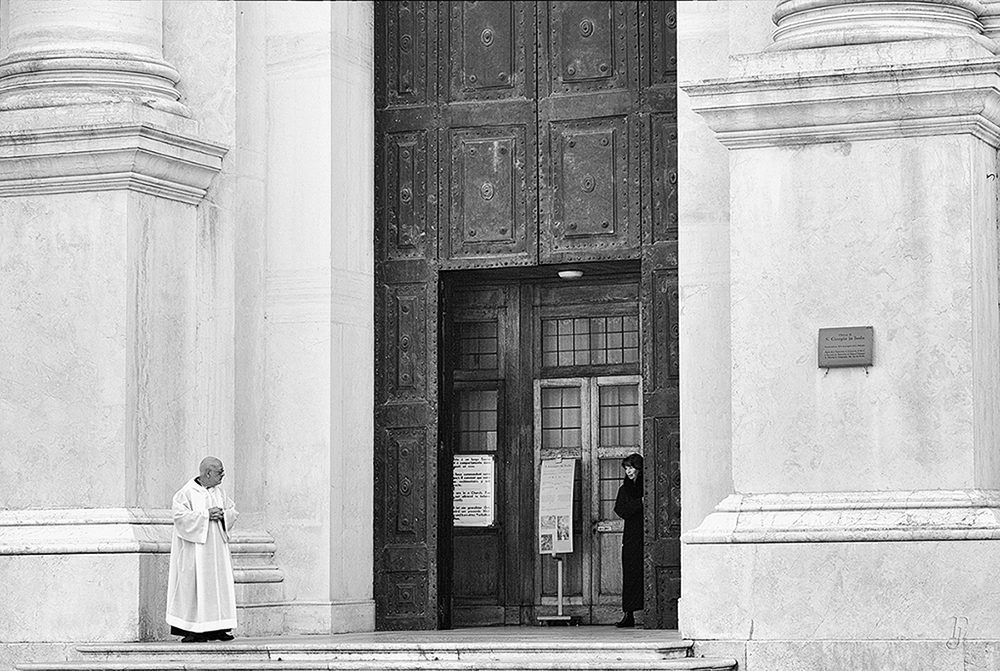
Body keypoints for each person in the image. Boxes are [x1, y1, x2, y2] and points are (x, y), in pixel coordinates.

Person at [166, 456, 239, 642]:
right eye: (219, 472)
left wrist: (224, 515)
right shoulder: (186, 493)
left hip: (217, 552)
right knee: (195, 587)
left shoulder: (219, 492)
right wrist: (206, 515)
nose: (222, 476)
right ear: (207, 473)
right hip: (195, 552)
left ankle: (218, 628)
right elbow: (180, 518)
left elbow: (233, 511)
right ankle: (194, 630)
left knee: (217, 587)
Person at [613, 452, 644, 628]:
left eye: (631, 467)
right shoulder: (624, 490)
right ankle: (628, 614)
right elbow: (620, 509)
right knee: (630, 574)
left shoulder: (647, 485)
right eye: (626, 468)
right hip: (632, 537)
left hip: (645, 535)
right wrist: (639, 503)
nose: (629, 471)